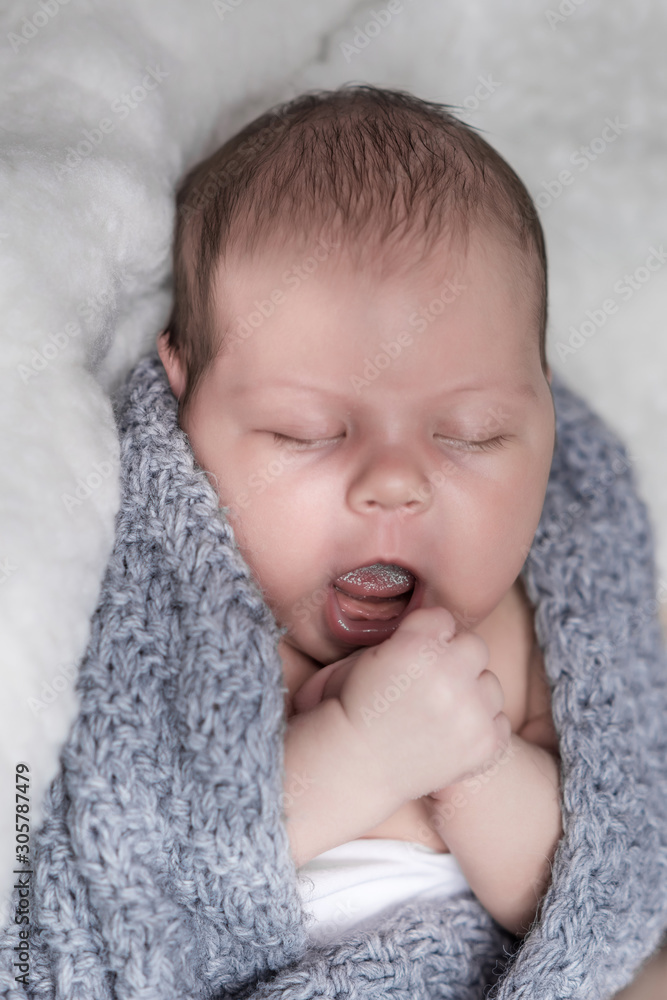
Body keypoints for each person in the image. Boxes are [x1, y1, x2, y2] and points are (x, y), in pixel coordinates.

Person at [156, 82, 565, 943]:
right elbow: (142, 888)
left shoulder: (532, 641)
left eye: (470, 434)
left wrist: (476, 766)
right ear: (185, 392)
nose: (394, 484)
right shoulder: (174, 623)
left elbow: (592, 895)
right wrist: (360, 757)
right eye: (305, 433)